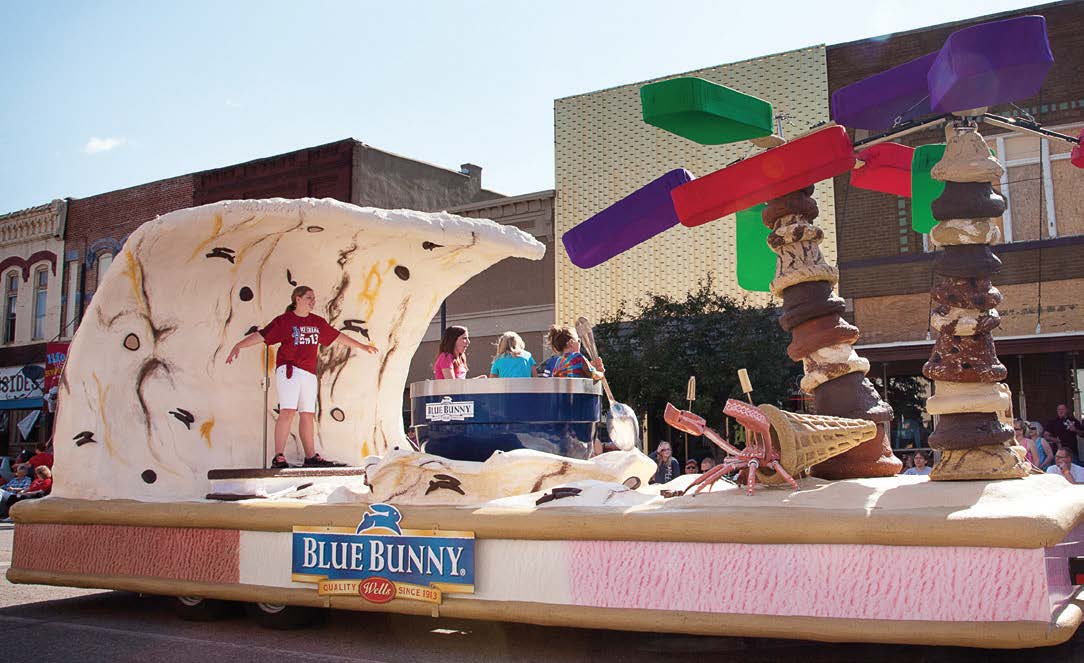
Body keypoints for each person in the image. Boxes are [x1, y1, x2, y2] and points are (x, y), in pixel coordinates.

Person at [227, 285, 379, 468]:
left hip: (308, 372)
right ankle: (279, 456)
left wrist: (362, 346)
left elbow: (337, 336)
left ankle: (310, 456)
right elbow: (262, 335)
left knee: (307, 413)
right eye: (309, 297)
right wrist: (239, 346)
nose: (312, 301)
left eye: (313, 298)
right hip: (289, 370)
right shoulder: (285, 321)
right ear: (297, 299)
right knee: (288, 411)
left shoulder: (317, 322)